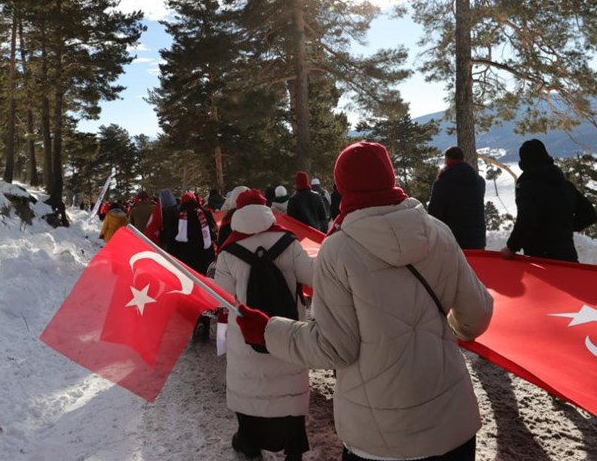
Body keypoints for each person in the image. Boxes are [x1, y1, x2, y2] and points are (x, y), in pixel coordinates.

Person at [236, 141, 494, 461]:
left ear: (342, 186)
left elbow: (334, 348)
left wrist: (268, 331)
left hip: (380, 436)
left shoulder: (337, 251)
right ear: (390, 176)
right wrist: (438, 332)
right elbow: (477, 315)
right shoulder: (438, 232)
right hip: (452, 422)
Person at [215, 189, 315, 461]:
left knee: (251, 390)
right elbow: (313, 276)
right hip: (287, 333)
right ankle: (294, 448)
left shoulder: (228, 252)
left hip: (247, 338)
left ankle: (249, 443)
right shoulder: (288, 242)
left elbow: (221, 297)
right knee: (288, 389)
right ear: (266, 211)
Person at [500, 139, 596, 263]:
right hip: (568, 257)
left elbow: (526, 220)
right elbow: (590, 215)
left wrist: (511, 247)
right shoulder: (565, 185)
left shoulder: (527, 188)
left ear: (523, 163)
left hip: (541, 258)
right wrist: (563, 227)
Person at [427, 146, 487, 250]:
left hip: (452, 239)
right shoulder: (479, 181)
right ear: (463, 158)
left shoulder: (442, 183)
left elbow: (434, 213)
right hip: (477, 238)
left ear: (446, 160)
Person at [167, 191, 218, 275]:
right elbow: (213, 232)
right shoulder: (206, 214)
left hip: (185, 257)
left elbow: (172, 239)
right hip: (205, 255)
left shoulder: (177, 217)